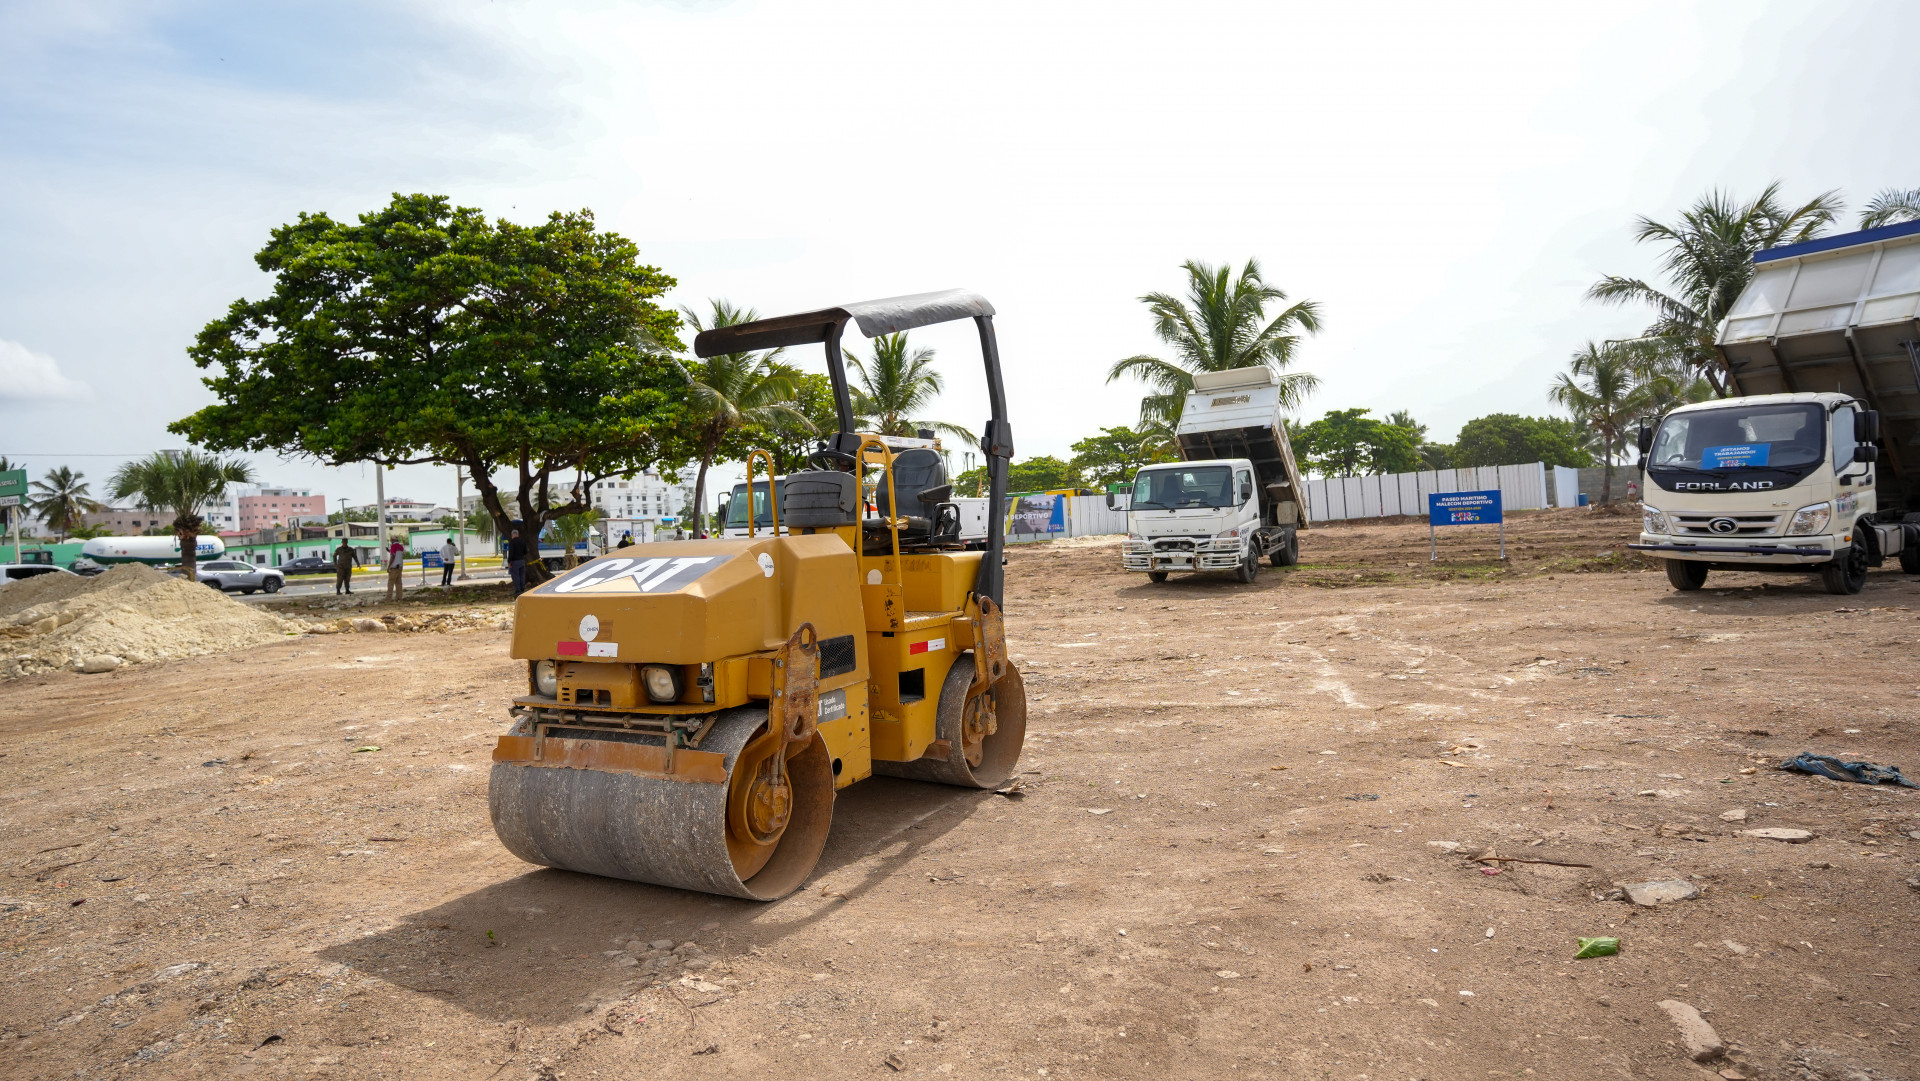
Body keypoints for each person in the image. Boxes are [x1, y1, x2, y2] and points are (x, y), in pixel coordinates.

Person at [506, 529, 528, 596]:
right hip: (522, 561)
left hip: (515, 561)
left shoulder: (512, 542)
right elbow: (526, 551)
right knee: (522, 576)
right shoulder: (522, 541)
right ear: (518, 534)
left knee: (516, 576)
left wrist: (509, 561)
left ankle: (518, 590)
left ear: (512, 535)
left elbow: (511, 553)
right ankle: (522, 589)